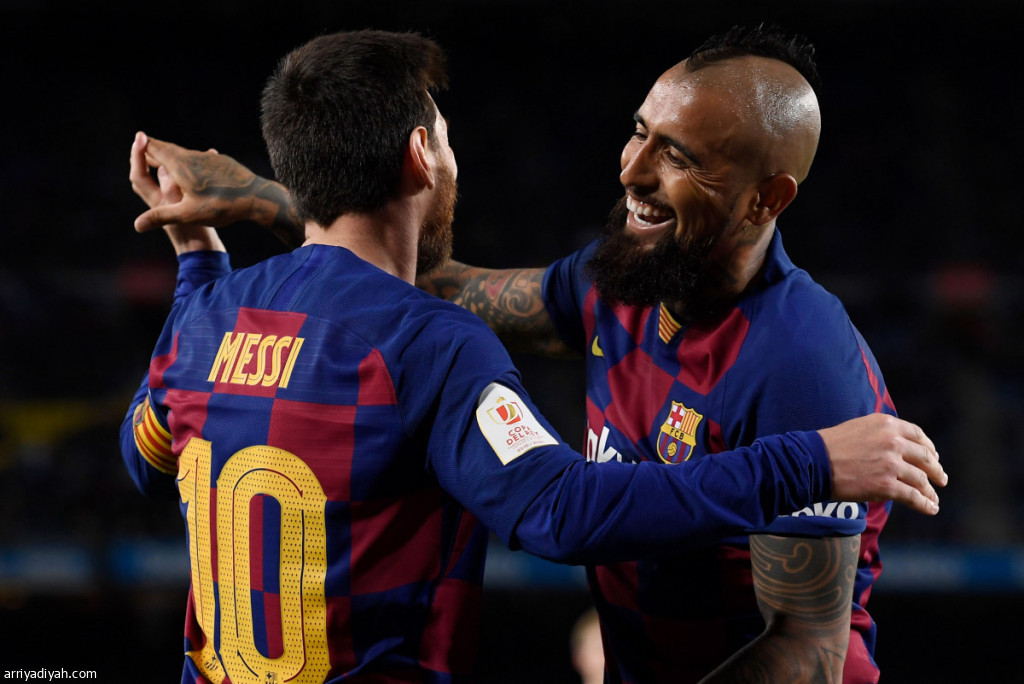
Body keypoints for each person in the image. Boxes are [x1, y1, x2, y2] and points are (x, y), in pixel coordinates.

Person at [125, 28, 946, 683]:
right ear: (423, 155)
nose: (631, 170)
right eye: (639, 133)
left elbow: (808, 654)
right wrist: (274, 199)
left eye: (678, 156)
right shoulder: (604, 288)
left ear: (767, 198)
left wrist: (220, 254)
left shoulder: (803, 361)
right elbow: (439, 306)